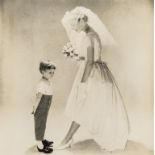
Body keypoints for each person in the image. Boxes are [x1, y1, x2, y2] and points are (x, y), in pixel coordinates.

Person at [57, 7, 129, 152]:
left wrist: (83, 84)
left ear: (82, 21)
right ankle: (68, 138)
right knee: (90, 108)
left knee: (82, 107)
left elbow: (90, 62)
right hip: (99, 73)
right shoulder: (93, 35)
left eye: (74, 24)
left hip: (92, 76)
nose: (73, 28)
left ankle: (67, 139)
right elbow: (91, 57)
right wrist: (77, 56)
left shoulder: (89, 37)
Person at [32, 60, 56, 153]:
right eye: (50, 72)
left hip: (45, 108)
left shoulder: (47, 81)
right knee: (39, 126)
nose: (52, 74)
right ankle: (40, 146)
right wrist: (35, 108)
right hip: (40, 109)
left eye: (53, 72)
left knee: (43, 125)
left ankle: (42, 139)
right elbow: (38, 97)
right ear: (43, 72)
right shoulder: (42, 84)